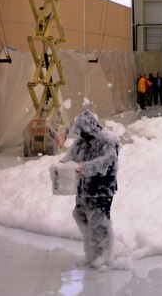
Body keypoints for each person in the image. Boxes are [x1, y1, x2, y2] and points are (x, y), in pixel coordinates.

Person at [60, 110, 119, 269]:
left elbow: (106, 161)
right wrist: (62, 164)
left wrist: (83, 167)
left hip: (102, 188)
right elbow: (70, 155)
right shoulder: (82, 141)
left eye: (84, 131)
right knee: (80, 215)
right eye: (80, 132)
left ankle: (104, 255)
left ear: (91, 128)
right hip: (84, 188)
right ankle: (92, 251)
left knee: (99, 221)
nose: (82, 134)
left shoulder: (108, 141)